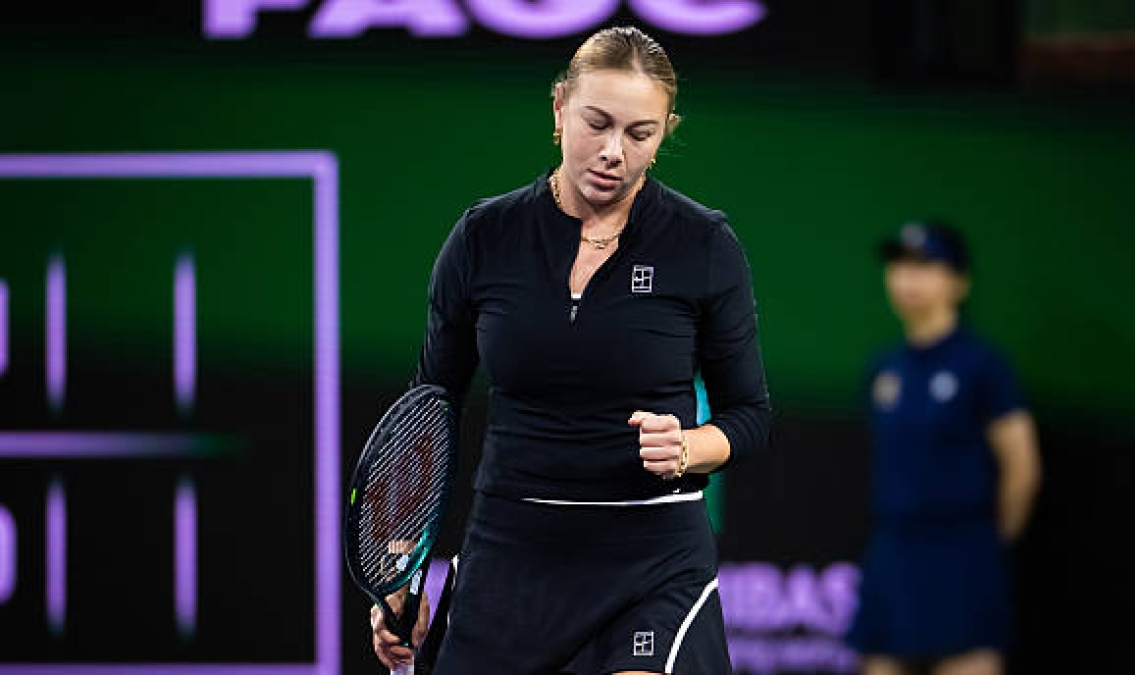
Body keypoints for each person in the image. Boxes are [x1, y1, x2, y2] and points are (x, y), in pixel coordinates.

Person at [368, 26, 770, 675]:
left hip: (651, 560)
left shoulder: (703, 245)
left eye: (640, 133)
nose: (613, 151)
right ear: (559, 110)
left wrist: (689, 447)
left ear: (665, 133)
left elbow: (749, 415)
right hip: (511, 550)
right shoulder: (484, 237)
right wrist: (401, 565)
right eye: (597, 123)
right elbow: (427, 413)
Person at [847, 222, 1042, 675]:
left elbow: (1023, 468)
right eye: (900, 266)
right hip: (894, 551)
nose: (908, 278)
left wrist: (985, 544)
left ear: (959, 282)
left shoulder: (984, 366)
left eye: (925, 265)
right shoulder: (883, 368)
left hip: (963, 552)